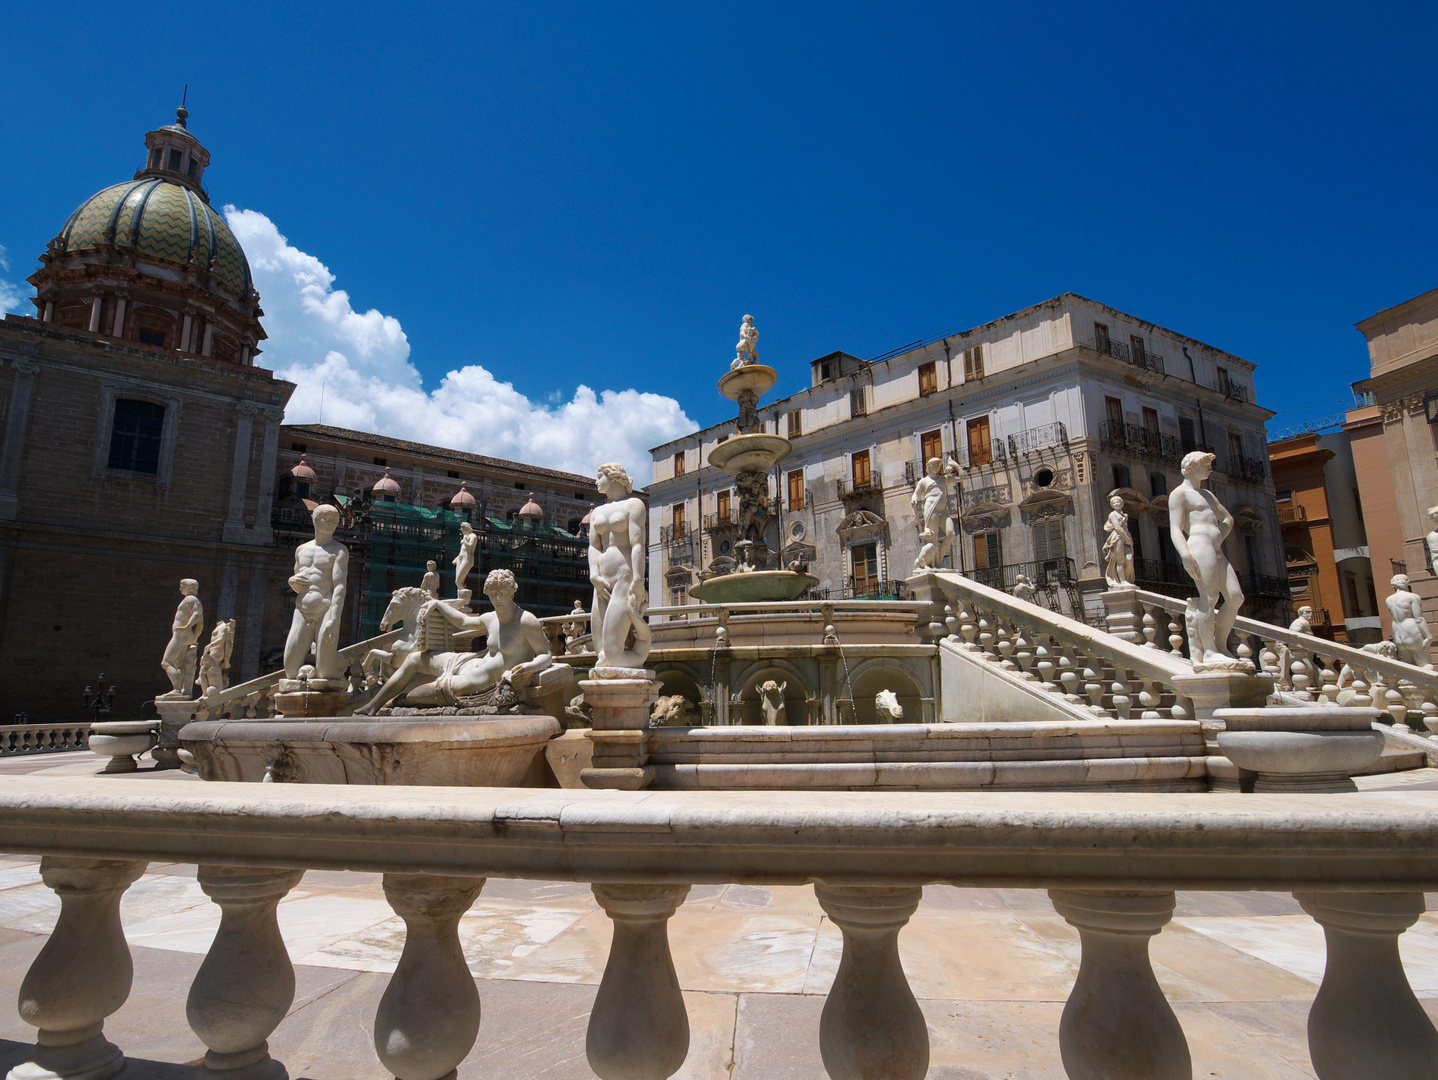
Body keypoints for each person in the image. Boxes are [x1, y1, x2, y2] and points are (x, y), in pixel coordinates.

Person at [357, 569, 553, 713]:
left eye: (502, 592)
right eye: (493, 594)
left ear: (512, 592)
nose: (497, 597)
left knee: (412, 698)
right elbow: (463, 621)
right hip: (468, 663)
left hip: (476, 682)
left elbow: (546, 655)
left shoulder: (525, 620)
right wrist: (437, 604)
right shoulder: (490, 617)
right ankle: (371, 705)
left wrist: (528, 667)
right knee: (414, 659)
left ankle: (392, 704)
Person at [1169, 452, 1244, 665]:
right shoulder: (1179, 494)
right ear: (1193, 466)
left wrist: (1219, 534)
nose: (1210, 469)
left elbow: (1228, 518)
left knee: (1236, 597)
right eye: (1207, 465)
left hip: (1216, 548)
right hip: (1199, 546)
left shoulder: (1208, 495)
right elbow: (1175, 529)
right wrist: (1185, 554)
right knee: (1209, 597)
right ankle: (1209, 650)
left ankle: (1220, 646)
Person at [589, 462, 653, 670]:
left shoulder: (634, 505)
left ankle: (638, 653)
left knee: (613, 654)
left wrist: (638, 580)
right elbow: (593, 546)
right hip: (601, 581)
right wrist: (593, 574)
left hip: (624, 577)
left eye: (600, 476)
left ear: (613, 477)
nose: (596, 481)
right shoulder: (597, 510)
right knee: (600, 651)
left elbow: (637, 544)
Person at [284, 504, 349, 682]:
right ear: (315, 520)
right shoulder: (301, 550)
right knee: (290, 670)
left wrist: (334, 620)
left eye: (334, 521)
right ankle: (308, 667)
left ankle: (329, 664)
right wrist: (292, 581)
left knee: (325, 674)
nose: (330, 524)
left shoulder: (339, 550)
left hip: (325, 609)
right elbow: (298, 581)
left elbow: (340, 587)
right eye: (325, 519)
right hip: (302, 609)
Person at [160, 579, 204, 698]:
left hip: (180, 635)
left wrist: (186, 626)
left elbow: (195, 615)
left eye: (182, 586)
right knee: (178, 664)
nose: (180, 589)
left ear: (189, 587)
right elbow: (201, 624)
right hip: (184, 635)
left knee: (166, 662)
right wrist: (194, 638)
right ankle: (181, 690)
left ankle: (176, 689)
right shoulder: (195, 600)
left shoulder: (190, 599)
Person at [911, 457, 956, 572]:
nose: (938, 467)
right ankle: (933, 562)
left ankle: (939, 558)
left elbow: (962, 477)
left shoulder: (943, 479)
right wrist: (914, 499)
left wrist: (954, 464)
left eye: (939, 465)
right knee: (933, 537)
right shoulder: (924, 481)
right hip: (931, 508)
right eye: (935, 465)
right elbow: (915, 493)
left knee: (951, 533)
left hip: (943, 509)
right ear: (929, 467)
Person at [1386, 574, 1433, 669]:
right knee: (1426, 666)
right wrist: (1428, 636)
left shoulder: (1389, 600)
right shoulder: (1412, 597)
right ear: (1407, 583)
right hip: (1412, 633)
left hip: (1399, 635)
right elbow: (1419, 619)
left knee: (1410, 668)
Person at [1101, 494, 1135, 588]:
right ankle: (1123, 581)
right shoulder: (1112, 514)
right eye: (1114, 502)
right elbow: (1117, 528)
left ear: (1122, 503)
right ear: (1112, 505)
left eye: (1118, 501)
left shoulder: (1124, 515)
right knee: (1120, 560)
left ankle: (1127, 580)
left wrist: (1128, 538)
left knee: (1129, 559)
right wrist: (1128, 539)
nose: (1116, 503)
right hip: (1118, 537)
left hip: (1126, 537)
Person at [453, 520, 478, 597]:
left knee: (458, 581)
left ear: (466, 528)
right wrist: (457, 558)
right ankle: (460, 599)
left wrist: (464, 540)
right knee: (459, 582)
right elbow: (462, 551)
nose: (462, 531)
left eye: (462, 529)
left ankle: (465, 598)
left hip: (467, 559)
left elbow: (470, 547)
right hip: (461, 559)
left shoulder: (473, 536)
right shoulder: (466, 537)